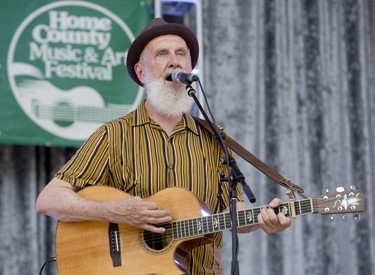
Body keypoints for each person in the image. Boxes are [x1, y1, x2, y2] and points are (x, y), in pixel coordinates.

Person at [36, 18, 291, 274]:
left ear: (190, 67)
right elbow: (49, 200)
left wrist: (262, 219)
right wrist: (115, 211)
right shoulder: (113, 135)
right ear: (141, 72)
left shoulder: (215, 138)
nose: (174, 61)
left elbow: (232, 211)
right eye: (162, 54)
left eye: (181, 53)